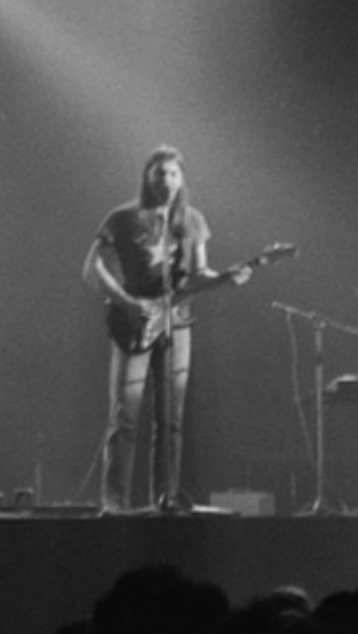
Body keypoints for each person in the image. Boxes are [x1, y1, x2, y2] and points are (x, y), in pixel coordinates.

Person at [83, 145, 236, 513]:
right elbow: (92, 267)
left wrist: (228, 278)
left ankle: (165, 499)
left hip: (177, 324)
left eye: (172, 174)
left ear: (182, 180)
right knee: (125, 415)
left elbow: (199, 274)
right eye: (159, 173)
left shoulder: (192, 221)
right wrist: (127, 302)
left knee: (170, 420)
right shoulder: (124, 218)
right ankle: (115, 503)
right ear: (147, 178)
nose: (166, 180)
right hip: (134, 322)